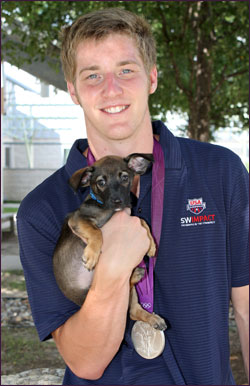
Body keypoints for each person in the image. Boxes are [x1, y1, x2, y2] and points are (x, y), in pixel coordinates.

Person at [17, 7, 249, 385]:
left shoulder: (220, 172)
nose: (112, 88)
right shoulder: (39, 210)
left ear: (152, 78)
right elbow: (84, 363)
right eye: (93, 75)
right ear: (73, 90)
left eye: (126, 70)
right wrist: (112, 266)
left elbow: (247, 309)